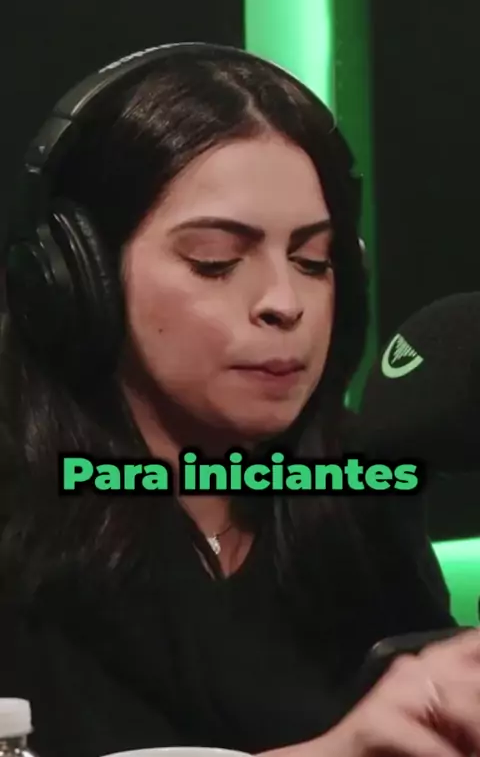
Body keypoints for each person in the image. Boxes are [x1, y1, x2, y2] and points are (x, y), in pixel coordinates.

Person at [0, 43, 477, 757]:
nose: (285, 302)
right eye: (216, 263)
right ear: (74, 278)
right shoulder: (18, 512)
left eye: (313, 262)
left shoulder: (357, 498)